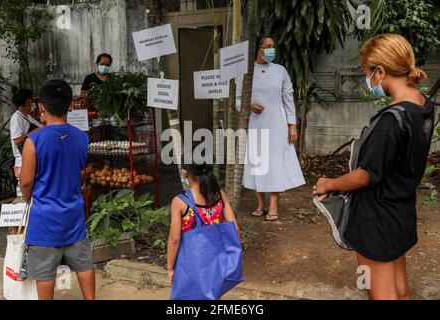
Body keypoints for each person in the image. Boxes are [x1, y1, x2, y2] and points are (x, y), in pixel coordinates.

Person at [313, 33, 434, 300]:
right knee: (400, 288)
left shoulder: (390, 121)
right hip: (401, 211)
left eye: (365, 72)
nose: (366, 79)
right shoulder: (425, 107)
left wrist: (329, 184)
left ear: (380, 71)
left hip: (375, 220)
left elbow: (365, 175)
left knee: (378, 292)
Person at [20, 80, 95, 300]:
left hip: (44, 218)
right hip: (74, 214)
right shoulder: (82, 138)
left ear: (41, 106)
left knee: (44, 271)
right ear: (70, 105)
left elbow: (26, 182)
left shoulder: (33, 141)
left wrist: (28, 199)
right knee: (83, 263)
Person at [236, 36, 305, 222]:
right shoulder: (246, 73)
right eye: (267, 46)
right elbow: (237, 100)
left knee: (274, 162)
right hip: (255, 122)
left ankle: (273, 205)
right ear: (257, 49)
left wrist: (292, 125)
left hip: (277, 123)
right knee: (259, 162)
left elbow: (288, 98)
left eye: (273, 46)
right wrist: (249, 105)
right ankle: (260, 204)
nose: (270, 49)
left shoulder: (280, 71)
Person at [167, 160, 240, 286]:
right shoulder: (219, 195)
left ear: (185, 172)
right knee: (214, 292)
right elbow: (235, 229)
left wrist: (170, 268)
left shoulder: (180, 201)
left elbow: (174, 239)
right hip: (216, 257)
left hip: (191, 262)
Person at [9, 87, 42, 182]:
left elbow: (41, 127)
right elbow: (17, 140)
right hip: (23, 163)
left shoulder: (26, 117)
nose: (33, 104)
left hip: (31, 161)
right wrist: (36, 131)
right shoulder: (16, 117)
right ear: (28, 101)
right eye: (32, 101)